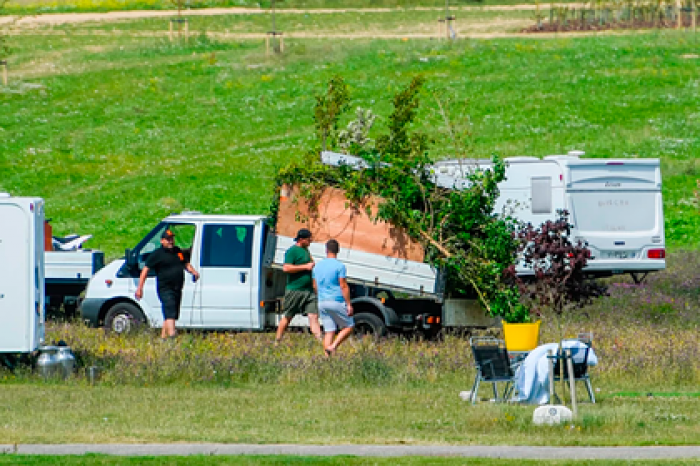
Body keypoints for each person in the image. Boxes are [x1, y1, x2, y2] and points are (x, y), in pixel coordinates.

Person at [135, 229, 199, 339]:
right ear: (162, 241)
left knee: (171, 314)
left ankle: (163, 338)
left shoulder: (178, 251)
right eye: (168, 239)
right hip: (165, 288)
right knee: (170, 311)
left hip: (177, 287)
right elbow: (145, 271)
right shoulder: (157, 254)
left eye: (171, 239)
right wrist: (140, 288)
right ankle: (172, 336)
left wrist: (193, 272)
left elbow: (186, 264)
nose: (170, 241)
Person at [275, 228, 322, 345]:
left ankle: (321, 342)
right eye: (308, 239)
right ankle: (277, 341)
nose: (311, 240)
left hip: (308, 291)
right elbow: (286, 268)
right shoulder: (292, 251)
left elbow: (311, 266)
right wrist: (305, 267)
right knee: (288, 316)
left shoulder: (306, 250)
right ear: (301, 239)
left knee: (314, 316)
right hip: (295, 290)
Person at [312, 239, 354, 356]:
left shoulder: (317, 267)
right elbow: (343, 285)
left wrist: (320, 296)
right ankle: (333, 346)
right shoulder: (340, 266)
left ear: (326, 250)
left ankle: (327, 358)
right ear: (338, 251)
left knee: (329, 331)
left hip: (322, 301)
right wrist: (349, 304)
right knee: (349, 326)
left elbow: (315, 285)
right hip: (336, 301)